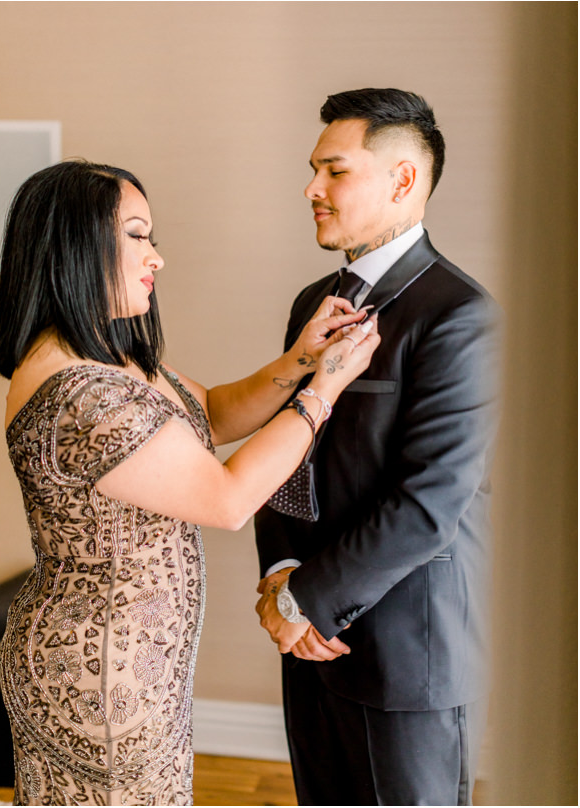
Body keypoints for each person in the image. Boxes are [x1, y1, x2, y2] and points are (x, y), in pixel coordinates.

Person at [0, 160, 379, 805]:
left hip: (129, 660)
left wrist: (300, 361)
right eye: (138, 236)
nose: (157, 258)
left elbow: (214, 412)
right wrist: (325, 389)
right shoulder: (83, 391)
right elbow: (226, 500)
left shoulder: (110, 359)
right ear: (79, 246)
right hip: (99, 674)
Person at [252, 88, 500, 805]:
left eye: (334, 171)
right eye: (312, 170)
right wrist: (283, 573)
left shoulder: (460, 315)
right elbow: (287, 445)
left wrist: (305, 602)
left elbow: (431, 500)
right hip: (304, 635)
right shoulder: (311, 304)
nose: (311, 189)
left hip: (407, 651)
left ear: (401, 180)